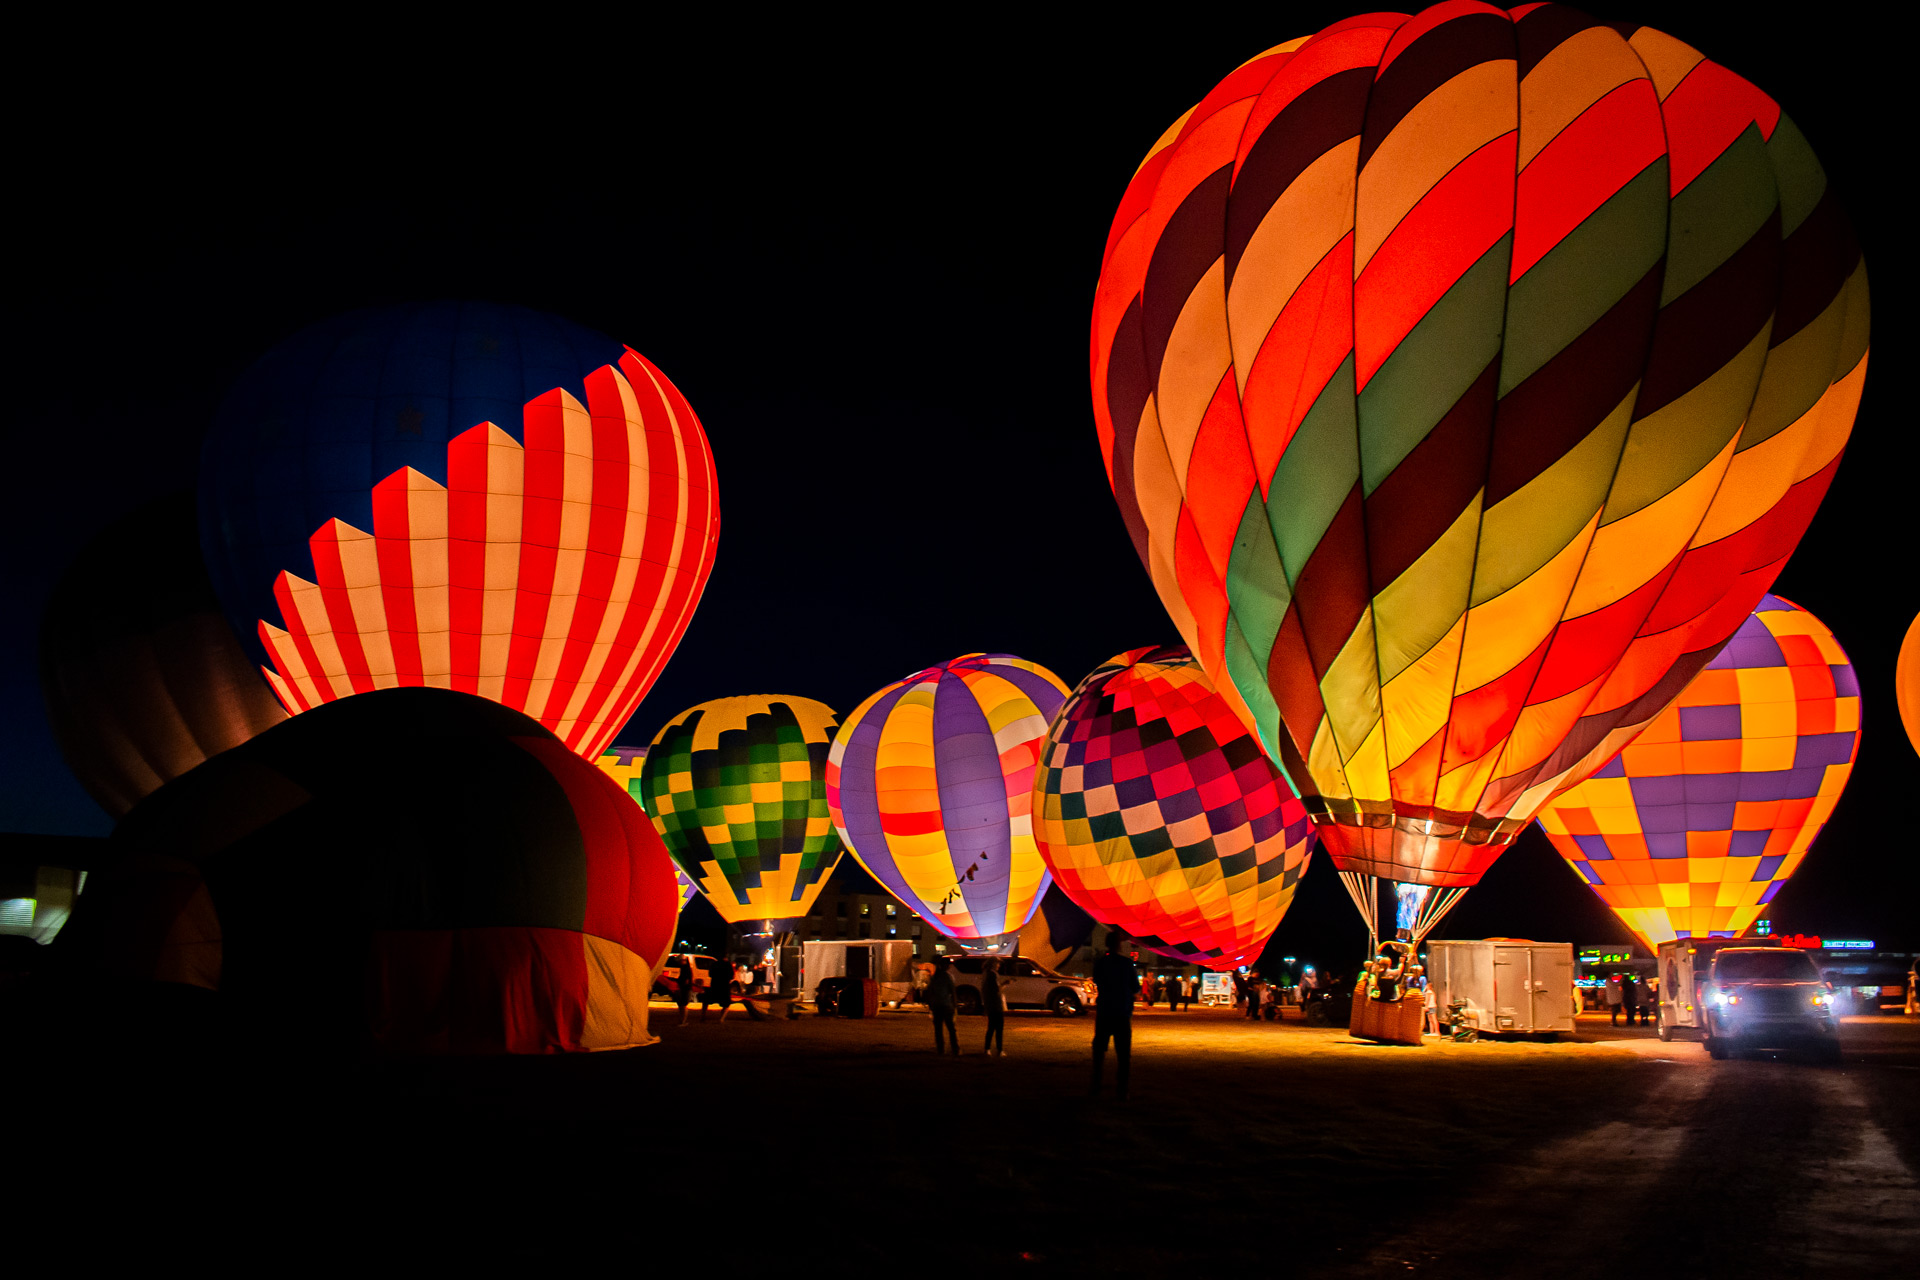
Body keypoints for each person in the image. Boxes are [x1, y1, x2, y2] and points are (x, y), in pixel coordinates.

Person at [1091, 932, 1138, 1101]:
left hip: (1105, 1012)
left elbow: (1097, 981)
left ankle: (1096, 1086)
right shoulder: (1127, 964)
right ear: (1119, 945)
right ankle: (1122, 1090)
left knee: (1099, 1051)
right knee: (1124, 1054)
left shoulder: (1101, 963)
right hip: (1122, 1013)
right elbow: (1135, 987)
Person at [927, 956, 959, 1055]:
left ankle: (941, 1049)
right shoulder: (947, 976)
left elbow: (930, 992)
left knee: (938, 1029)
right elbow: (952, 991)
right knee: (951, 1028)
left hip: (936, 1005)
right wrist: (955, 1005)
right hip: (946, 1005)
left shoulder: (934, 977)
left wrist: (930, 1005)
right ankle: (955, 1049)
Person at [981, 957, 1006, 1056]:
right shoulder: (993, 974)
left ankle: (987, 1049)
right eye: (997, 963)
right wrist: (1005, 984)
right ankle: (999, 1050)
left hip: (990, 1004)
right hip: (996, 1004)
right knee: (999, 1028)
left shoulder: (985, 974)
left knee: (991, 1027)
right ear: (993, 964)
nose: (998, 965)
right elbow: (996, 989)